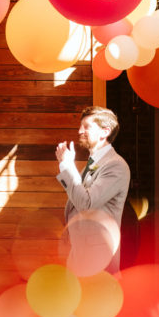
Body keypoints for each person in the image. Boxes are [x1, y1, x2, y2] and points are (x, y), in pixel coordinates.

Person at [55, 106, 130, 273]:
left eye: (86, 126)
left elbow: (86, 203)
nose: (80, 131)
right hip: (79, 254)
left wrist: (66, 166)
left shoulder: (115, 166)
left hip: (98, 258)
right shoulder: (93, 164)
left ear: (105, 132)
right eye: (80, 126)